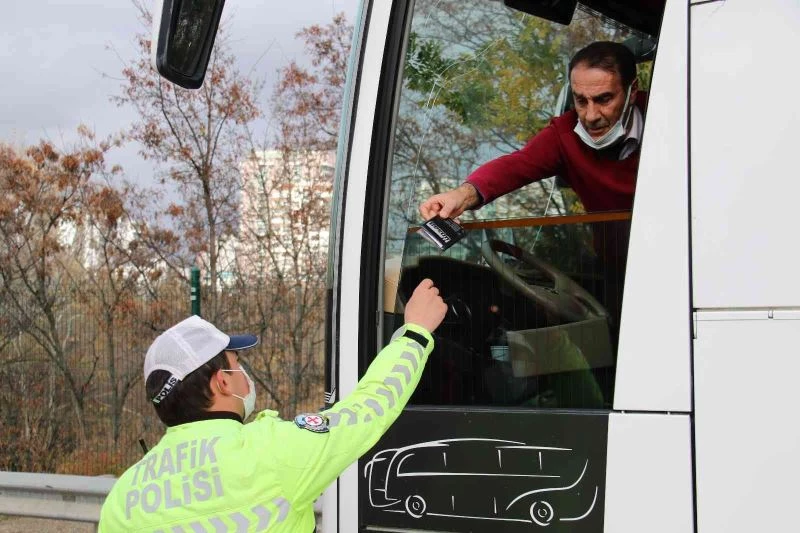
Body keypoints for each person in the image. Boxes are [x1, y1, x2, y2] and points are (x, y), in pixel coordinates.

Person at [98, 278, 447, 532]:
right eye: (235, 363)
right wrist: (415, 332)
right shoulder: (271, 452)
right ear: (221, 381)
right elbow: (370, 408)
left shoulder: (124, 495)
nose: (241, 372)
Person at [419, 40, 645, 220]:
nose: (591, 116)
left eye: (604, 99)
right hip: (614, 272)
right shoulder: (564, 134)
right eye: (581, 101)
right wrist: (461, 195)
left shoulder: (673, 122)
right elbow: (516, 166)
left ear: (632, 91)